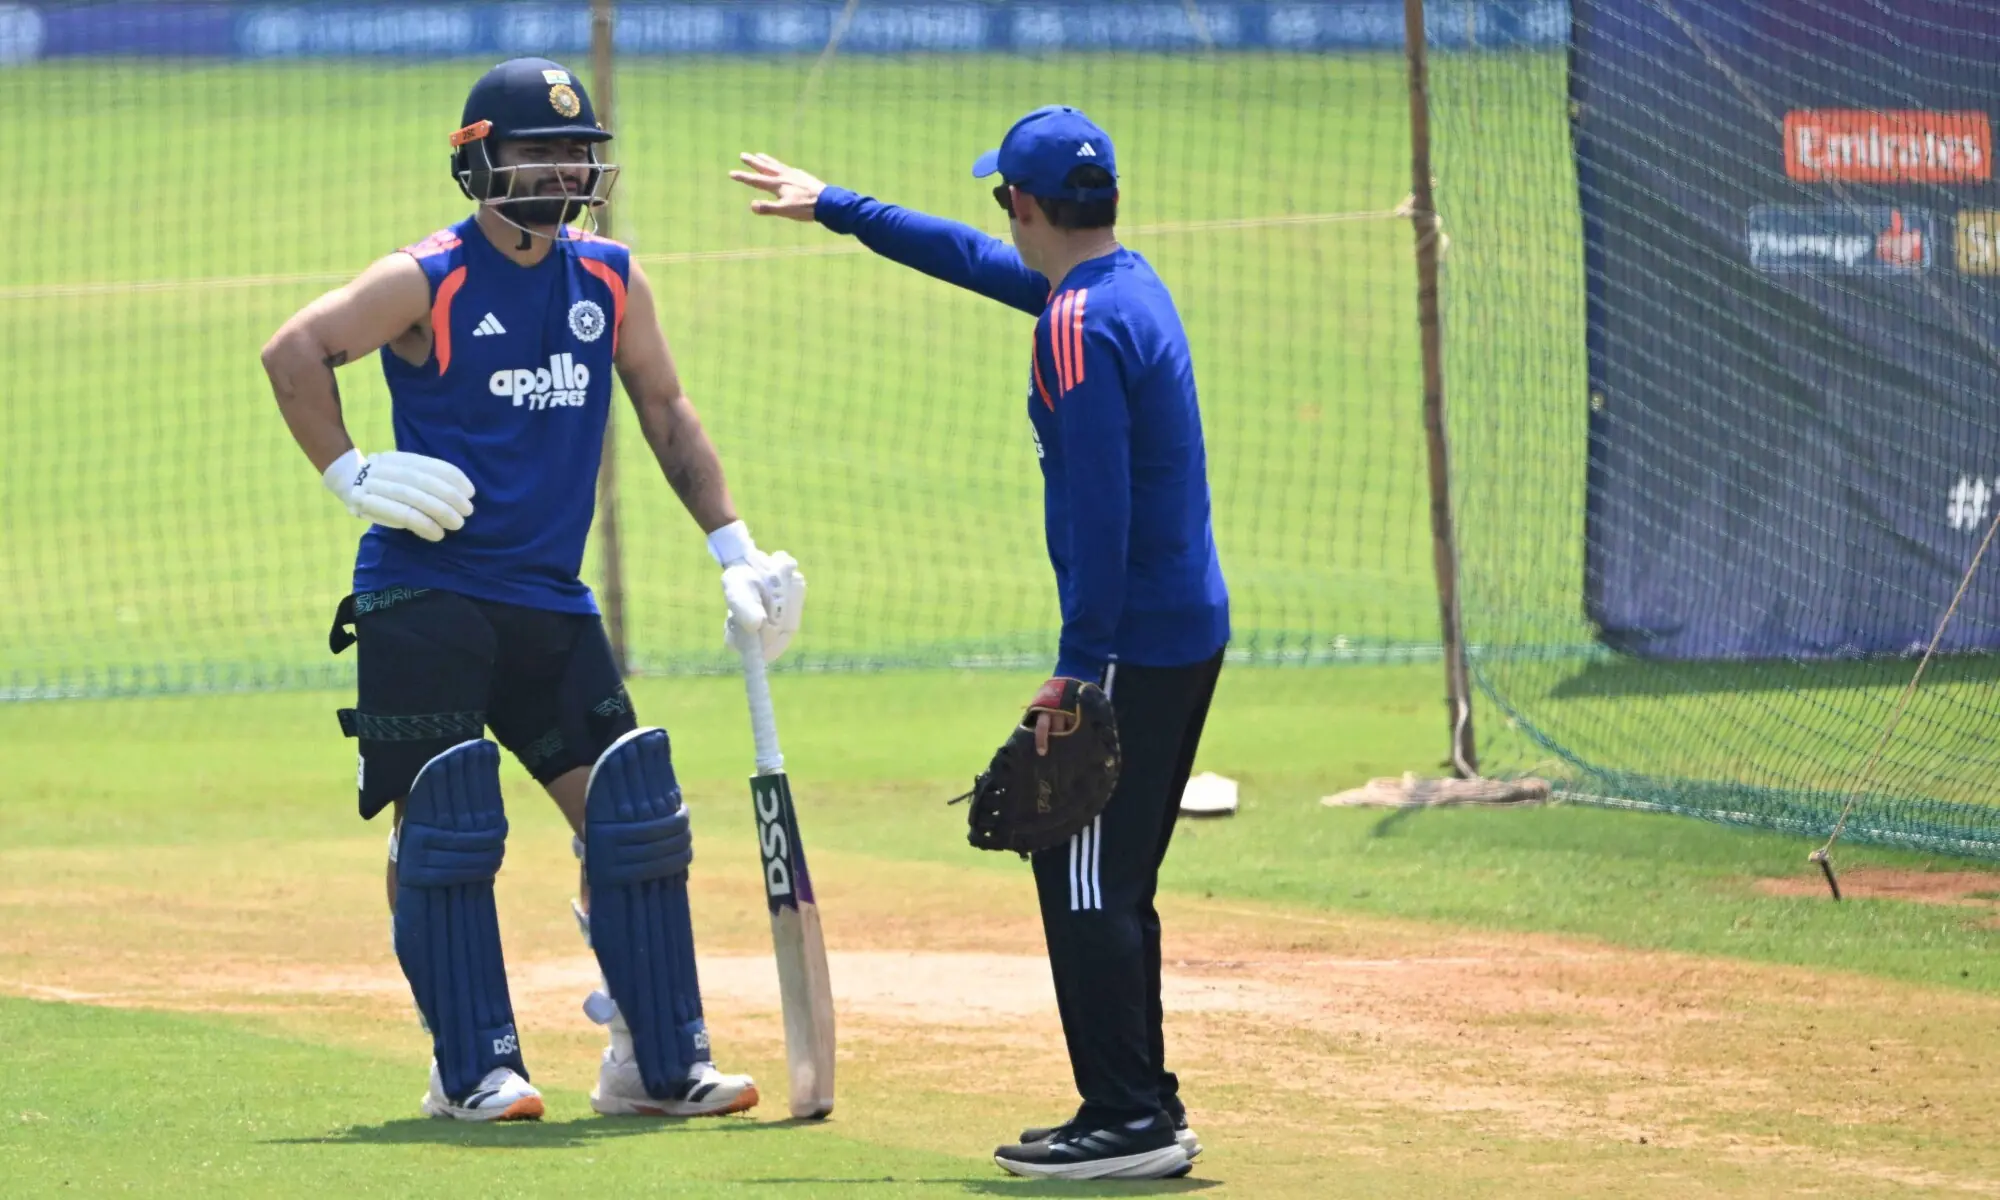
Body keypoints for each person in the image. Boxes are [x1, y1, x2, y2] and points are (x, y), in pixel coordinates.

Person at [260, 57, 803, 1123]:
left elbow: (665, 410)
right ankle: (467, 1064)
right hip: (425, 593)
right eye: (540, 149)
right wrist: (351, 472)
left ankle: (653, 1060)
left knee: (633, 819)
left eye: (577, 151)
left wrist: (734, 547)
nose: (564, 169)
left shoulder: (607, 278)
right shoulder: (428, 278)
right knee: (447, 827)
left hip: (548, 602)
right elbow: (295, 351)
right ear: (481, 162)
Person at [729, 105, 1229, 1181]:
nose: (996, 217)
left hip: (1131, 644)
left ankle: (1130, 1121)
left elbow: (1102, 517)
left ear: (1026, 205)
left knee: (1086, 873)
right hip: (1176, 626)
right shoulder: (1116, 286)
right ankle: (1139, 1105)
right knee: (1097, 868)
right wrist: (838, 207)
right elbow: (966, 260)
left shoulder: (1076, 330)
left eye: (1001, 198)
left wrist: (1079, 673)